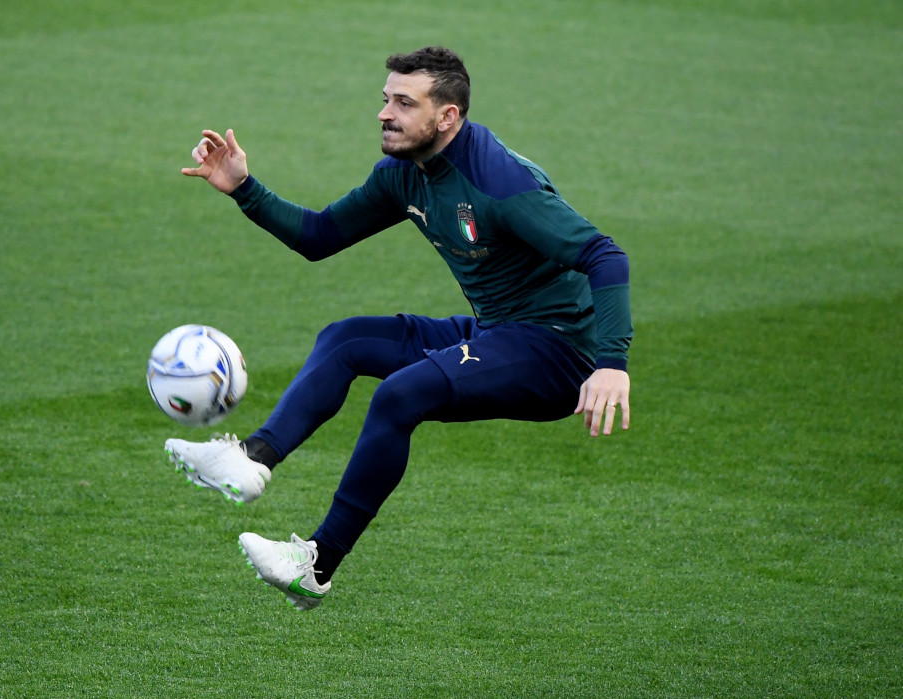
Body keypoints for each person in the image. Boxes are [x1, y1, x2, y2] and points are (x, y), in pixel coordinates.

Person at [167, 46, 633, 611]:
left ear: (447, 117)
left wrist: (610, 363)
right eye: (386, 99)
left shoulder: (500, 182)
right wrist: (244, 187)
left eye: (404, 103)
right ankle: (252, 460)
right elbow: (319, 237)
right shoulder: (403, 175)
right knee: (346, 340)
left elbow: (605, 257)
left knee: (401, 393)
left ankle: (315, 565)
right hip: (500, 330)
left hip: (560, 351)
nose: (385, 113)